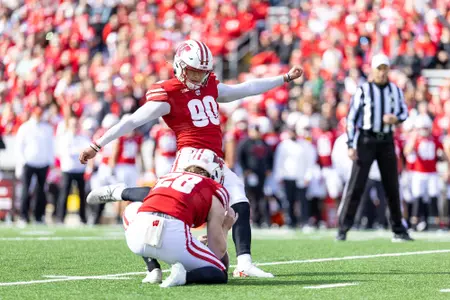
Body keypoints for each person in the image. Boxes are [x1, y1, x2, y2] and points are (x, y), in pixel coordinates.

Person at [79, 39, 303, 280]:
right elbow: (132, 120)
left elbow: (245, 88)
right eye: (193, 71)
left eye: (202, 72)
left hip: (216, 160)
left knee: (239, 198)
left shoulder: (210, 86)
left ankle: (244, 262)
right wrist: (98, 144)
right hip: (190, 159)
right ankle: (123, 195)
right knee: (175, 199)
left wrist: (284, 78)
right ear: (179, 66)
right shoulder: (168, 92)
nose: (198, 78)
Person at [108, 149, 235, 288]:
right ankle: (183, 276)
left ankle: (152, 268)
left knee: (132, 209)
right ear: (216, 172)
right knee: (219, 271)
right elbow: (217, 253)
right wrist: (225, 227)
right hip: (173, 239)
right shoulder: (214, 189)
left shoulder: (166, 177)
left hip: (137, 239)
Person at [336, 53, 413, 242]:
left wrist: (396, 119)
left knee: (392, 186)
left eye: (385, 68)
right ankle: (343, 228)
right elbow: (351, 119)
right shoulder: (363, 90)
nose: (382, 72)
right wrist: (351, 144)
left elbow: (404, 111)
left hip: (386, 139)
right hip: (366, 140)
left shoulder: (394, 90)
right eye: (379, 68)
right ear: (373, 69)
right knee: (356, 185)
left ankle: (398, 229)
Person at [15, 107, 55, 224]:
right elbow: (19, 145)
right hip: (29, 162)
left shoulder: (47, 128)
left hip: (43, 163)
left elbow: (50, 146)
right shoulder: (25, 127)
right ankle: (23, 216)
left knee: (41, 191)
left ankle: (39, 216)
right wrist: (22, 161)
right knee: (26, 190)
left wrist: (50, 161)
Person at [56, 115, 90, 224]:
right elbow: (66, 152)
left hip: (80, 169)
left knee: (82, 194)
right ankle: (60, 217)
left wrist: (79, 151)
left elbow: (88, 151)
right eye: (72, 124)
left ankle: (83, 218)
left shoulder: (83, 138)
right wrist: (79, 151)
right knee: (64, 194)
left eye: (76, 124)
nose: (75, 127)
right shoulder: (65, 137)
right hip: (68, 169)